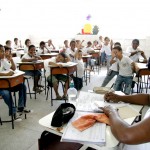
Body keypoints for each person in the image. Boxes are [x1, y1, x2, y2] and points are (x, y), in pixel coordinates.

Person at [0, 45, 31, 121]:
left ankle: (21, 107)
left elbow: (13, 68)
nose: (4, 53)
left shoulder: (2, 60)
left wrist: (11, 60)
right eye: (1, 51)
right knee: (6, 93)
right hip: (1, 86)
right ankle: (13, 112)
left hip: (7, 83)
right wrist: (5, 74)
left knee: (22, 86)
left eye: (4, 51)